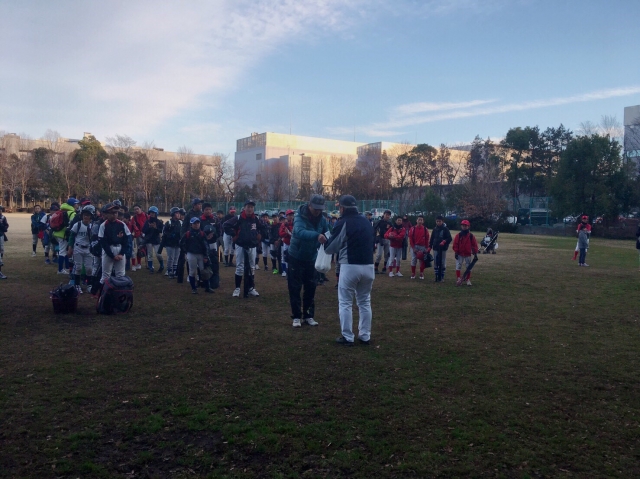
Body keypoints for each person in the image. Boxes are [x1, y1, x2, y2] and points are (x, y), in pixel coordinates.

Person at [325, 195, 375, 346]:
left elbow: (331, 248)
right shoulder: (366, 221)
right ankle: (365, 335)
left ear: (342, 208)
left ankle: (347, 336)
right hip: (368, 265)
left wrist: (324, 242)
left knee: (345, 302)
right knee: (364, 302)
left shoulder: (343, 222)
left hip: (350, 265)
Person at [287, 194, 329, 328]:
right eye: (315, 208)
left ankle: (309, 315)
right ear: (309, 205)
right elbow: (299, 232)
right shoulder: (299, 216)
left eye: (320, 209)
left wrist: (329, 238)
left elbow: (328, 231)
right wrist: (317, 236)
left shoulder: (322, 219)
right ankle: (296, 316)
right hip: (296, 257)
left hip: (311, 257)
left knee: (311, 287)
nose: (317, 211)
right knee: (295, 287)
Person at [223, 200, 267, 298]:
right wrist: (233, 234)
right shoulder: (238, 218)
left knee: (252, 267)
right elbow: (225, 225)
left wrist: (260, 235)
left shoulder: (256, 219)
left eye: (252, 207)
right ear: (244, 208)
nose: (250, 209)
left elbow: (263, 227)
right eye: (248, 207)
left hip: (252, 245)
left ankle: (251, 288)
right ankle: (237, 288)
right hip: (240, 245)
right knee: (240, 266)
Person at [97, 203, 132, 287]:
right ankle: (103, 293)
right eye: (112, 213)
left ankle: (120, 292)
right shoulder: (103, 225)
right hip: (109, 250)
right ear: (107, 214)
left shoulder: (122, 224)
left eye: (116, 212)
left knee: (121, 275)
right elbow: (104, 243)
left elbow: (126, 240)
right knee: (106, 275)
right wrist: (112, 256)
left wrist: (121, 253)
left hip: (119, 248)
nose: (115, 214)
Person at [67, 205, 96, 293]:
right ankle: (77, 285)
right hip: (78, 248)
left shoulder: (92, 226)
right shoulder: (78, 224)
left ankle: (89, 284)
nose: (86, 217)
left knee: (89, 268)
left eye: (88, 215)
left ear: (91, 216)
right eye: (84, 215)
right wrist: (70, 248)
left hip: (88, 249)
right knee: (78, 267)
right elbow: (72, 237)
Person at [179, 217, 211, 294]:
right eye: (194, 223)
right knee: (192, 271)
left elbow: (206, 246)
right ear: (191, 225)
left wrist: (206, 256)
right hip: (191, 254)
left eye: (198, 223)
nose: (196, 225)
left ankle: (207, 287)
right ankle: (193, 288)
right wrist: (186, 251)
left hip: (201, 255)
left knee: (204, 271)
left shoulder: (202, 234)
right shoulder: (188, 234)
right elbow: (181, 243)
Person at [177, 198, 203, 283]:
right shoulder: (189, 214)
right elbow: (184, 227)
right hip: (189, 238)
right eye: (198, 204)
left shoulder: (202, 214)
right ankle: (188, 275)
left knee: (199, 258)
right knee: (188, 258)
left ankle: (199, 275)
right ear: (194, 205)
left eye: (200, 204)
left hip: (199, 238)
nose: (200, 206)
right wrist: (183, 238)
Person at [51, 197, 79, 274]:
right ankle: (60, 270)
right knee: (62, 252)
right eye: (76, 204)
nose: (77, 205)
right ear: (73, 205)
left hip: (57, 233)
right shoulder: (72, 213)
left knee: (65, 251)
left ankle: (67, 267)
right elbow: (73, 225)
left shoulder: (62, 210)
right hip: (63, 235)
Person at [452, 220, 478, 286]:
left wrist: (475, 252)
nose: (464, 227)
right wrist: (456, 252)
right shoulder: (458, 235)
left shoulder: (471, 236)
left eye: (465, 226)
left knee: (468, 267)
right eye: (463, 225)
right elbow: (455, 244)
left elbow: (474, 245)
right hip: (460, 253)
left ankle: (467, 279)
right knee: (458, 266)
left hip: (468, 254)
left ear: (468, 226)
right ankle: (458, 278)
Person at [429, 215, 452, 282]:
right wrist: (430, 246)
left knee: (442, 262)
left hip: (443, 248)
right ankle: (436, 276)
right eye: (437, 221)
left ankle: (441, 276)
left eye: (439, 221)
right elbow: (432, 238)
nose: (438, 222)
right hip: (436, 248)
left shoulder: (445, 229)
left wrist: (444, 241)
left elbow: (449, 238)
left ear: (442, 221)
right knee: (436, 262)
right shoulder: (435, 229)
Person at [142, 206, 164, 273]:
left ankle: (162, 265)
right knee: (150, 254)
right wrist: (149, 227)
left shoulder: (159, 222)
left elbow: (161, 231)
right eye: (151, 212)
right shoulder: (147, 222)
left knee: (158, 254)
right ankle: (150, 267)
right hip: (148, 240)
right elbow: (144, 230)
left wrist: (155, 227)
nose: (152, 214)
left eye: (153, 213)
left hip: (156, 240)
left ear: (156, 213)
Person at [161, 207, 182, 278]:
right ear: (173, 214)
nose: (178, 215)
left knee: (176, 257)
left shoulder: (181, 223)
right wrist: (171, 235)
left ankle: (175, 271)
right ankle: (169, 270)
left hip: (178, 243)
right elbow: (164, 232)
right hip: (170, 243)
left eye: (179, 213)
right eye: (177, 213)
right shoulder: (168, 223)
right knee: (171, 257)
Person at [408, 215, 430, 279]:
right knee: (413, 259)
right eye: (419, 220)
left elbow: (427, 239)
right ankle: (413, 273)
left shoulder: (425, 229)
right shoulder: (412, 229)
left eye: (421, 220)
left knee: (422, 260)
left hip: (422, 246)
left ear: (423, 221)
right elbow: (411, 239)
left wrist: (426, 248)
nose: (420, 221)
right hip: (415, 246)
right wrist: (413, 248)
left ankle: (421, 272)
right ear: (416, 220)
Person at [373, 210, 392, 274]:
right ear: (383, 215)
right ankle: (376, 268)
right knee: (379, 254)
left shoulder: (390, 223)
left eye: (388, 215)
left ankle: (384, 268)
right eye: (386, 215)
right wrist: (377, 238)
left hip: (387, 240)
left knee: (387, 254)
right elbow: (375, 230)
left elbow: (392, 231)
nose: (387, 216)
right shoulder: (379, 222)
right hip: (380, 240)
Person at [130, 205, 147, 270]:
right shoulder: (134, 218)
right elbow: (132, 226)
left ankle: (148, 264)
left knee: (147, 249)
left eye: (137, 209)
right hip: (138, 235)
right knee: (139, 249)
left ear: (141, 209)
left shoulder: (146, 216)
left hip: (146, 235)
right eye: (135, 209)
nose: (136, 210)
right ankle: (139, 264)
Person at [279, 209, 294, 277]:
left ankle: (290, 271)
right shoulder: (284, 224)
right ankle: (284, 271)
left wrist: (289, 233)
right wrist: (286, 233)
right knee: (284, 256)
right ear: (286, 216)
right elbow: (280, 233)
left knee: (292, 257)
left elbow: (296, 234)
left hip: (293, 243)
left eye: (292, 215)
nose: (291, 216)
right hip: (286, 242)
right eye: (289, 215)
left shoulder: (295, 224)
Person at [0, 205, 8, 279]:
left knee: (1, 249)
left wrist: (3, 227)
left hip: (0, 235)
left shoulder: (3, 217)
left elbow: (6, 226)